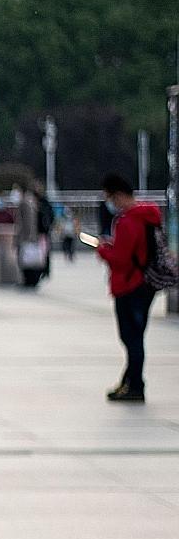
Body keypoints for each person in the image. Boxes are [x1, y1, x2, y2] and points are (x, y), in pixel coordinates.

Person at [97, 172, 163, 403]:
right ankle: (129, 382)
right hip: (145, 283)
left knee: (131, 337)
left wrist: (103, 250)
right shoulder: (147, 215)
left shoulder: (128, 221)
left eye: (110, 198)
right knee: (135, 336)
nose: (110, 204)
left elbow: (121, 259)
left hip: (129, 285)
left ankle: (135, 385)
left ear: (118, 195)